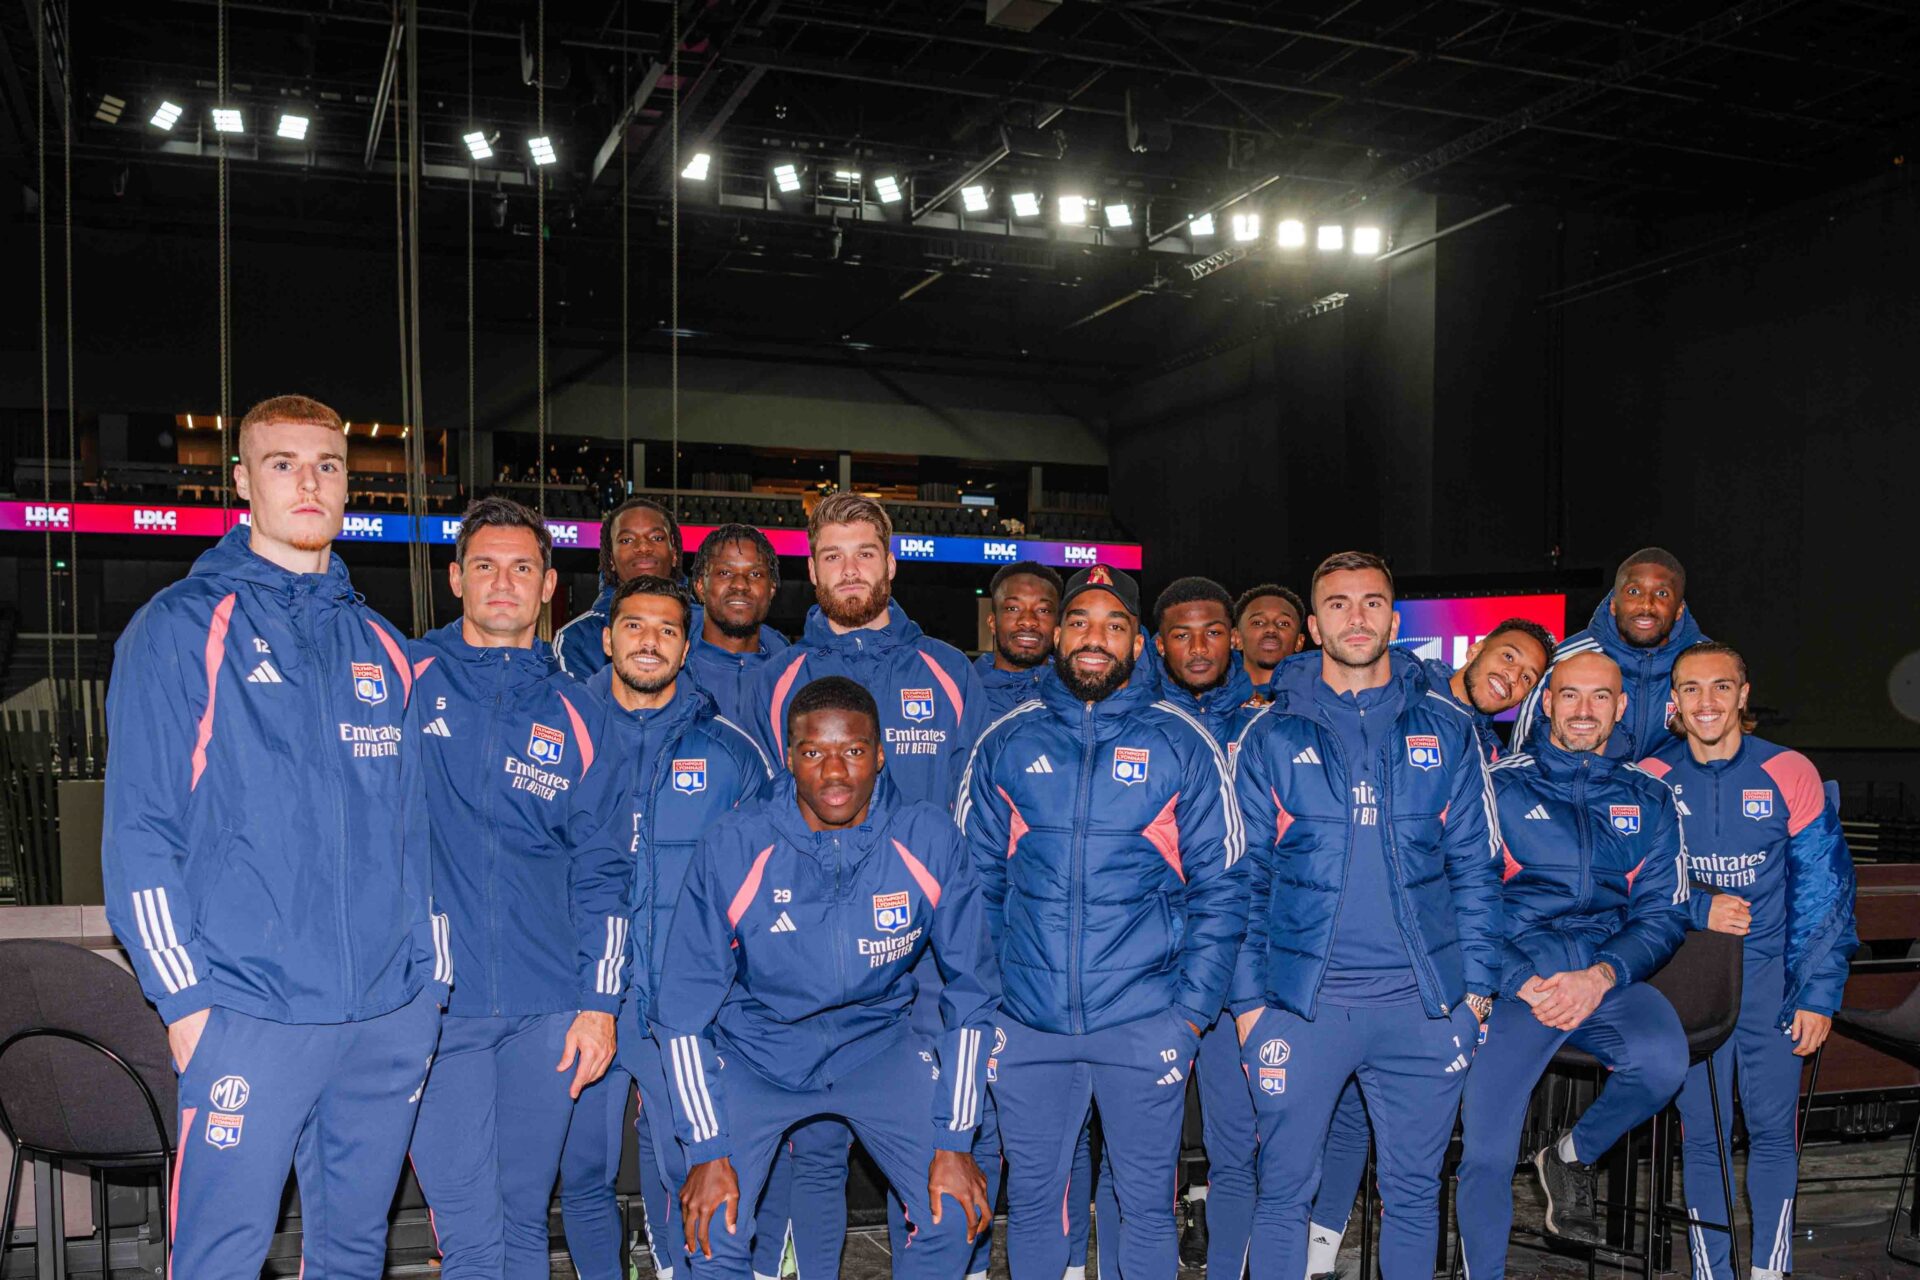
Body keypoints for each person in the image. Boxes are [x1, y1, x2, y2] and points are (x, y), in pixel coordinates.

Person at [102, 394, 448, 1279]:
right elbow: (139, 835)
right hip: (249, 1014)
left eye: (328, 466)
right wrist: (185, 1007)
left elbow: (415, 837)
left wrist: (427, 984)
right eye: (284, 463)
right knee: (220, 1257)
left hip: (384, 1016)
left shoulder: (383, 644)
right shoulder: (180, 630)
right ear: (243, 482)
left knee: (353, 1253)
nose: (309, 481)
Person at [653, 676, 999, 1280]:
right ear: (789, 755)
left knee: (953, 1215)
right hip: (759, 1054)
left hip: (876, 1048)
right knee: (713, 1230)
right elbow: (682, 1008)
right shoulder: (736, 845)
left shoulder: (928, 838)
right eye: (813, 753)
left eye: (854, 751)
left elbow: (972, 995)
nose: (834, 772)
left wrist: (956, 1140)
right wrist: (707, 1151)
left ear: (881, 752)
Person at [958, 564, 1246, 1280]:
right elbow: (974, 888)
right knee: (1032, 1206)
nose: (1095, 638)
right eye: (1080, 622)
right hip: (1026, 1029)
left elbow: (1223, 888)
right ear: (1056, 634)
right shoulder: (1007, 740)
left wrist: (1188, 1015)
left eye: (1114, 626)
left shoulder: (1182, 742)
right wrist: (992, 1006)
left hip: (1145, 1020)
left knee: (1146, 1208)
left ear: (1139, 644)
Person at [1231, 551, 1501, 1280]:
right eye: (1341, 604)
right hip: (1302, 1009)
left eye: (1373, 602)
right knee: (1283, 1190)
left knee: (1413, 1194)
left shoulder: (1448, 729)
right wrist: (1252, 1005)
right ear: (1314, 627)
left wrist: (1474, 997)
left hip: (1423, 1007)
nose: (1358, 616)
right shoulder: (1268, 734)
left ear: (1393, 618)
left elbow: (1477, 869)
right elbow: (1242, 881)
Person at [741, 492, 983, 1280]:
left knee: (934, 1145)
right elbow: (760, 823)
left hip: (933, 959)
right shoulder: (778, 679)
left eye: (865, 553)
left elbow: (978, 818)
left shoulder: (947, 671)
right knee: (815, 1151)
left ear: (892, 560)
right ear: (812, 570)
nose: (851, 570)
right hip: (820, 967)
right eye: (834, 556)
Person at [408, 496, 632, 1278]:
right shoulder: (403, 683)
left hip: (548, 1013)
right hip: (436, 1011)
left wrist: (600, 1006)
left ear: (547, 588)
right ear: (455, 579)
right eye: (485, 566)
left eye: (522, 568)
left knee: (521, 1224)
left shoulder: (581, 711)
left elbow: (605, 872)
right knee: (470, 1235)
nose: (503, 582)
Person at [1304, 616, 1555, 1276]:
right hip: (1355, 950)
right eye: (1508, 657)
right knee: (1347, 1117)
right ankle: (1318, 1249)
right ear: (1475, 649)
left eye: (1528, 676)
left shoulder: (1488, 749)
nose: (1513, 677)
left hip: (1432, 961)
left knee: (1384, 1124)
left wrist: (1476, 982)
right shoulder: (1405, 688)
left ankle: (1327, 1249)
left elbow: (1475, 869)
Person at [1455, 651, 1692, 1277]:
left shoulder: (1651, 798)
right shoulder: (1497, 785)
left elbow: (1663, 915)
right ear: (1547, 703)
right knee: (1486, 1151)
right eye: (1569, 696)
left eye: (1599, 697)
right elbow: (1459, 903)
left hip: (1603, 976)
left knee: (1664, 1063)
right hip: (1517, 983)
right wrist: (1518, 980)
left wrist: (1602, 975)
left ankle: (1569, 1154)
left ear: (1620, 707)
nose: (1584, 710)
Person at [566, 574, 773, 1280]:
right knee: (583, 1173)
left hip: (681, 1005)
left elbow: (766, 880)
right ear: (606, 638)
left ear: (686, 648)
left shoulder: (732, 751)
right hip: (576, 997)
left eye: (666, 630)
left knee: (688, 1162)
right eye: (633, 627)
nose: (648, 642)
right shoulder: (562, 728)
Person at [1642, 642, 1857, 1280]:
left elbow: (1826, 888)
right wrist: (1695, 908)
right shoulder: (1651, 778)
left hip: (1771, 986)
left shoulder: (1789, 771)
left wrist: (1818, 992)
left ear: (1742, 694)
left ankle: (1770, 1271)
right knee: (1702, 1138)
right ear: (1673, 703)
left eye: (1720, 687)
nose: (1706, 702)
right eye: (1690, 689)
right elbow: (1628, 885)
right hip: (1690, 987)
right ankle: (1714, 1273)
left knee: (1770, 1132)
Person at [1152, 576, 1266, 1278]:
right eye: (1182, 634)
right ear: (1157, 644)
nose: (1199, 647)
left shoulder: (1266, 725)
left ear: (1236, 638)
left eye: (1213, 631)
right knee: (1144, 1149)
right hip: (1153, 968)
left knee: (1239, 1142)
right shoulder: (1135, 723)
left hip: (1243, 969)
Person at [1510, 548, 1706, 758]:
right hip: (1579, 789)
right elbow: (1522, 757)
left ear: (1679, 610)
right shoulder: (1568, 659)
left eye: (1662, 594)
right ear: (1613, 604)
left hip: (1671, 789)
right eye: (1633, 591)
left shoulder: (1707, 663)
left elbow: (1730, 749)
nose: (1646, 605)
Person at [553, 497, 684, 678]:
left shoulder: (706, 628)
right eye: (626, 540)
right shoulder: (577, 638)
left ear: (674, 553)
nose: (643, 547)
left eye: (657, 537)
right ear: (611, 559)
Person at [686, 523, 790, 725]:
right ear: (700, 586)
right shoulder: (670, 673)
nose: (741, 584)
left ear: (771, 589)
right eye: (725, 572)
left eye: (755, 574)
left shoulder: (793, 676)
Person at [974, 560, 1061, 719]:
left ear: (1057, 627)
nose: (1028, 621)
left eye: (1043, 610)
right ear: (992, 623)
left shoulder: (1079, 694)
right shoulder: (962, 692)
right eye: (1013, 608)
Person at [1233, 585, 1308, 699]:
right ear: (1237, 638)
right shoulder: (1211, 704)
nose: (1271, 629)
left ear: (1299, 642)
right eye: (1258, 623)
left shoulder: (1318, 704)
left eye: (1284, 623)